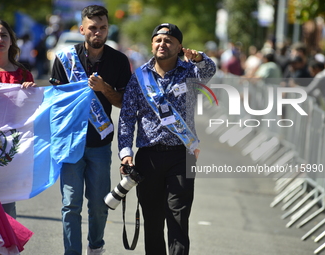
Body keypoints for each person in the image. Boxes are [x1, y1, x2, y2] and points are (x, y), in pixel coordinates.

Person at [118, 23, 216, 255]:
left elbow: (209, 70)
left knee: (178, 219)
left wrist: (199, 57)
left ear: (179, 46)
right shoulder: (139, 77)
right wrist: (125, 153)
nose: (162, 44)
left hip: (182, 155)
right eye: (158, 40)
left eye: (169, 40)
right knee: (152, 222)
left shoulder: (190, 72)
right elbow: (126, 118)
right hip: (148, 157)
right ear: (152, 44)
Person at [50, 5, 131, 255]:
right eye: (93, 28)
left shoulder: (118, 60)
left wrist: (104, 88)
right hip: (70, 142)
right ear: (82, 28)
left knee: (98, 205)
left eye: (103, 27)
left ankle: (95, 246)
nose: (98, 32)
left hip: (99, 143)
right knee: (70, 204)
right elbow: (53, 102)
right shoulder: (64, 60)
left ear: (108, 29)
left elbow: (122, 102)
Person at [0, 19, 36, 219]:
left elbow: (32, 114)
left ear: (11, 40)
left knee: (6, 210)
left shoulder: (23, 74)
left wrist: (31, 94)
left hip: (8, 150)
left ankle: (6, 248)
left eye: (4, 35)